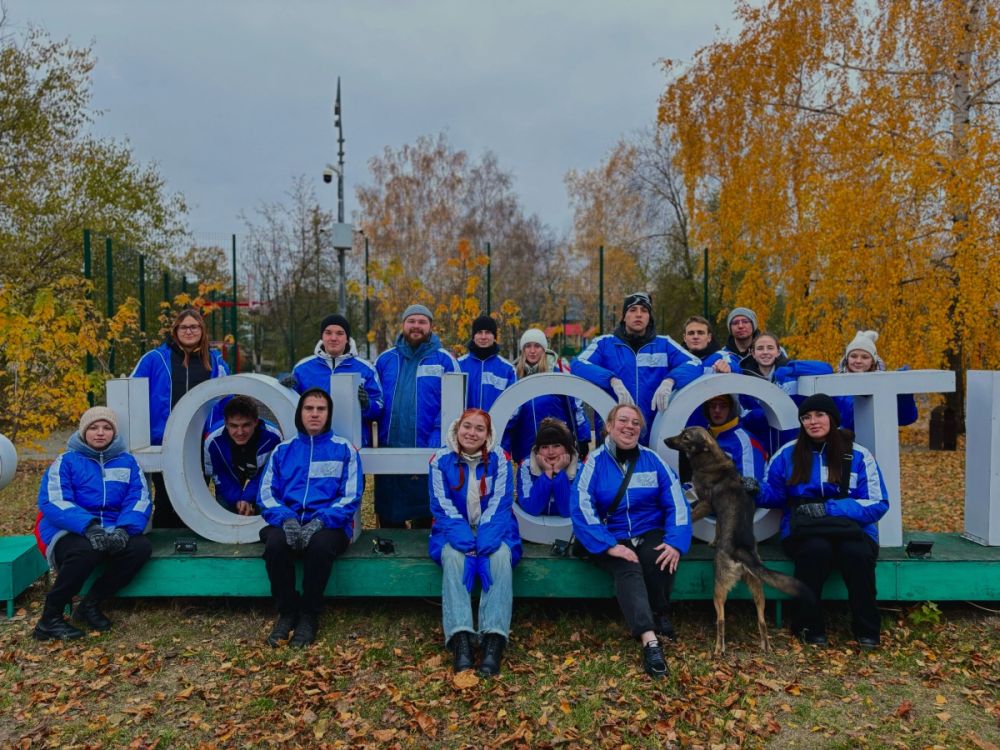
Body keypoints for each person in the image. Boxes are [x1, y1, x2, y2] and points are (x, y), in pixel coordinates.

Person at [756, 394, 889, 649]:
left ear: (833, 418)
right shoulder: (788, 453)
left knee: (857, 554)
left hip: (852, 529)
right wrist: (754, 491)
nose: (812, 422)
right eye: (806, 417)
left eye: (819, 415)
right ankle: (808, 627)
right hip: (805, 529)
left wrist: (829, 507)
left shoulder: (859, 455)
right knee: (816, 551)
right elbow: (776, 494)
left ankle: (868, 630)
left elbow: (878, 502)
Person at [570, 404, 692, 678]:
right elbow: (581, 507)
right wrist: (609, 545)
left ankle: (660, 612)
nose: (629, 426)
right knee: (628, 565)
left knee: (658, 555)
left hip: (648, 529)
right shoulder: (594, 462)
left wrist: (675, 541)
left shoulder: (653, 460)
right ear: (609, 427)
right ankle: (650, 641)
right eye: (623, 420)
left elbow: (677, 503)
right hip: (610, 534)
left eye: (636, 423)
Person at [32, 407, 152, 640]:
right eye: (93, 427)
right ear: (83, 431)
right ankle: (49, 619)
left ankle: (90, 604)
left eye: (106, 428)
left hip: (113, 527)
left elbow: (139, 499)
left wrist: (124, 529)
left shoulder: (128, 462)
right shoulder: (66, 461)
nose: (100, 433)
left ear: (114, 433)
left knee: (140, 548)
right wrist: (89, 526)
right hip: (69, 529)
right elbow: (54, 500)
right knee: (85, 550)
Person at [257, 388, 363, 647]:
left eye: (321, 409)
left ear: (328, 414)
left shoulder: (344, 449)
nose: (315, 414)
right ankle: (287, 611)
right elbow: (266, 493)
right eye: (309, 409)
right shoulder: (283, 450)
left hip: (329, 524)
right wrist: (287, 519)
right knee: (275, 545)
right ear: (300, 413)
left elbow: (351, 495)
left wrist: (321, 521)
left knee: (320, 547)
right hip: (288, 519)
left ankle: (309, 614)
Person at [428, 408, 520, 676]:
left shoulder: (500, 459)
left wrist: (484, 541)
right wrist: (465, 542)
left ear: (488, 434)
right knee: (455, 558)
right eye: (467, 426)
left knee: (500, 557)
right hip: (451, 528)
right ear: (458, 429)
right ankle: (461, 639)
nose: (472, 433)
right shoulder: (440, 460)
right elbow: (442, 506)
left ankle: (494, 638)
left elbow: (501, 503)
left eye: (480, 429)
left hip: (495, 528)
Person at [131, 308, 230, 528]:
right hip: (163, 442)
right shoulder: (154, 359)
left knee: (196, 499)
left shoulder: (216, 363)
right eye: (183, 327)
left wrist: (216, 433)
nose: (189, 331)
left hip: (199, 443)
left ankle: (193, 544)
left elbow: (226, 401)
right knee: (166, 498)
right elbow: (131, 394)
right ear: (175, 331)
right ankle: (165, 547)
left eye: (194, 327)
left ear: (202, 331)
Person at [571, 292, 702, 445]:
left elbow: (695, 363)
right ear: (624, 316)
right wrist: (611, 380)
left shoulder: (664, 344)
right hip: (612, 436)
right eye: (633, 310)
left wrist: (670, 380)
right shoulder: (604, 344)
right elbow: (577, 364)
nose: (638, 315)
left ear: (649, 317)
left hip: (654, 435)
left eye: (644, 310)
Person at [375, 304, 461, 528]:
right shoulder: (385, 360)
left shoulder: (444, 360)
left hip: (428, 450)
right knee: (390, 519)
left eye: (422, 322)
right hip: (389, 450)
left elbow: (457, 399)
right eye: (411, 321)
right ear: (403, 324)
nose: (416, 326)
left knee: (424, 520)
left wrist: (439, 430)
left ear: (431, 327)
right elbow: (375, 399)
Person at [291, 313, 383, 447]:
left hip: (355, 445)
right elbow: (291, 405)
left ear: (347, 338)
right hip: (313, 444)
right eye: (328, 333)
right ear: (322, 337)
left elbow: (380, 407)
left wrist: (366, 405)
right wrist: (285, 387)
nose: (333, 338)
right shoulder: (302, 368)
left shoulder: (366, 368)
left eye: (340, 333)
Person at [739, 331, 832, 456]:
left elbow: (826, 369)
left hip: (793, 444)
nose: (765, 352)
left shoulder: (791, 375)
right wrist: (773, 412)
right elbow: (743, 416)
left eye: (770, 348)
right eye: (760, 348)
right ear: (753, 353)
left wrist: (792, 368)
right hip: (761, 448)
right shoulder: (744, 379)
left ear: (778, 352)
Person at [509, 328, 591, 463]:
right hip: (526, 450)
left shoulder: (558, 372)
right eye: (528, 346)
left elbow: (576, 406)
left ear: (544, 349)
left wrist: (583, 438)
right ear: (523, 350)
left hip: (558, 447)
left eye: (537, 346)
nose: (532, 350)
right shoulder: (513, 376)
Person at [203, 396, 283, 515]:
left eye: (246, 425)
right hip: (229, 476)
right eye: (234, 426)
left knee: (265, 508)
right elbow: (219, 473)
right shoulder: (213, 440)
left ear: (256, 421)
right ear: (225, 423)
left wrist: (247, 498)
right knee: (225, 509)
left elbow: (269, 473)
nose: (240, 432)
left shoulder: (273, 437)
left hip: (259, 475)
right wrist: (237, 500)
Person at [833, 330, 918, 432]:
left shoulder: (885, 385)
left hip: (879, 444)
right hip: (845, 445)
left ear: (872, 361)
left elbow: (906, 418)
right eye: (853, 356)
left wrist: (903, 392)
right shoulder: (835, 385)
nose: (858, 361)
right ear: (847, 359)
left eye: (865, 357)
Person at [458, 314, 516, 450]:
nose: (483, 337)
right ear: (473, 336)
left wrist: (491, 430)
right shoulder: (458, 365)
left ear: (494, 336)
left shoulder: (507, 369)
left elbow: (514, 409)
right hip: (464, 440)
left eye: (488, 332)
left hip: (497, 441)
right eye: (479, 332)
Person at [516, 417, 578, 517]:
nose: (551, 452)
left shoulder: (579, 468)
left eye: (556, 445)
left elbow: (568, 510)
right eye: (544, 447)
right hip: (534, 527)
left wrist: (559, 472)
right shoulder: (526, 466)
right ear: (537, 450)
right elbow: (532, 508)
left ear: (566, 448)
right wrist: (547, 472)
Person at [703, 394, 766, 482]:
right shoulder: (706, 435)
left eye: (723, 406)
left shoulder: (744, 442)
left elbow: (751, 488)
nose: (717, 410)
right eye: (713, 406)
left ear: (732, 409)